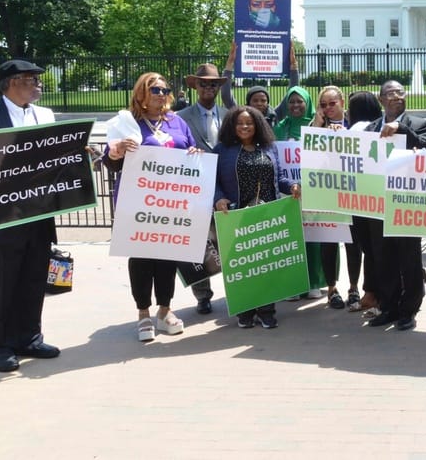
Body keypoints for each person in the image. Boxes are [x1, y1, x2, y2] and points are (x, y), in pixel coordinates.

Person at [0, 60, 61, 372]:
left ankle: (29, 337)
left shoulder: (44, 115)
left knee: (34, 276)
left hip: (39, 212)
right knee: (3, 281)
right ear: (10, 82)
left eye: (38, 79)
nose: (38, 84)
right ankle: (2, 345)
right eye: (31, 79)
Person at [103, 72, 199, 342]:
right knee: (142, 257)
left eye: (164, 89)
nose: (161, 94)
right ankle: (143, 313)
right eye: (155, 90)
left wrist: (195, 154)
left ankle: (165, 310)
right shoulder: (128, 123)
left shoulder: (177, 122)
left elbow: (191, 150)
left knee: (167, 256)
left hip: (172, 201)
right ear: (141, 94)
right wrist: (116, 150)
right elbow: (109, 161)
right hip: (140, 203)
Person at [213, 106, 300, 328]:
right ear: (232, 126)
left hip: (266, 214)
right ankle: (245, 309)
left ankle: (266, 310)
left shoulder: (269, 148)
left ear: (258, 125)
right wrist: (219, 198)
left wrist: (292, 186)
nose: (244, 127)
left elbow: (279, 177)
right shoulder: (222, 150)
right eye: (240, 123)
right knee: (243, 265)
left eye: (249, 123)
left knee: (265, 265)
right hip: (236, 215)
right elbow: (212, 182)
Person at [364, 80, 426, 331]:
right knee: (383, 259)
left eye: (400, 92)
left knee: (409, 259)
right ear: (380, 99)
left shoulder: (419, 124)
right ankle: (388, 307)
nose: (395, 96)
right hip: (377, 203)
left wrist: (401, 128)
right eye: (390, 93)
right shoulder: (370, 128)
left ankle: (409, 309)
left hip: (407, 202)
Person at [177, 63, 230, 315]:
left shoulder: (229, 114)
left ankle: (235, 290)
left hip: (225, 187)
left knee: (229, 239)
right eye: (203, 83)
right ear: (195, 86)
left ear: (219, 87)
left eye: (213, 84)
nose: (208, 87)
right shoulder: (181, 117)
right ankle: (203, 295)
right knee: (198, 243)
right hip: (194, 188)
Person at [308, 85, 360, 309]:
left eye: (332, 103)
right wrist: (319, 126)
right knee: (329, 241)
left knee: (353, 243)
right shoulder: (315, 127)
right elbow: (309, 157)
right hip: (327, 191)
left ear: (342, 102)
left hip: (353, 191)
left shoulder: (355, 124)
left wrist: (345, 135)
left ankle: (354, 288)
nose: (328, 108)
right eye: (323, 105)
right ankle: (331, 289)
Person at [273, 85, 325, 300]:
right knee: (291, 238)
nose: (295, 105)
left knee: (314, 238)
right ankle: (293, 284)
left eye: (299, 101)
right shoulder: (280, 127)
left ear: (307, 103)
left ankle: (314, 282)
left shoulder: (318, 125)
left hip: (314, 190)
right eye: (291, 102)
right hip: (289, 192)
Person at [346, 90, 384, 314]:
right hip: (376, 198)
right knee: (377, 249)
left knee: (369, 249)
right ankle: (375, 294)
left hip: (359, 199)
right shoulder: (379, 127)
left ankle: (373, 294)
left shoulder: (358, 129)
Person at [221, 40, 301, 125]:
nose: (259, 103)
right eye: (255, 100)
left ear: (267, 103)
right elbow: (226, 96)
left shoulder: (274, 116)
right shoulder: (240, 115)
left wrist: (294, 66)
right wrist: (229, 63)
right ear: (248, 103)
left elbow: (292, 94)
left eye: (263, 100)